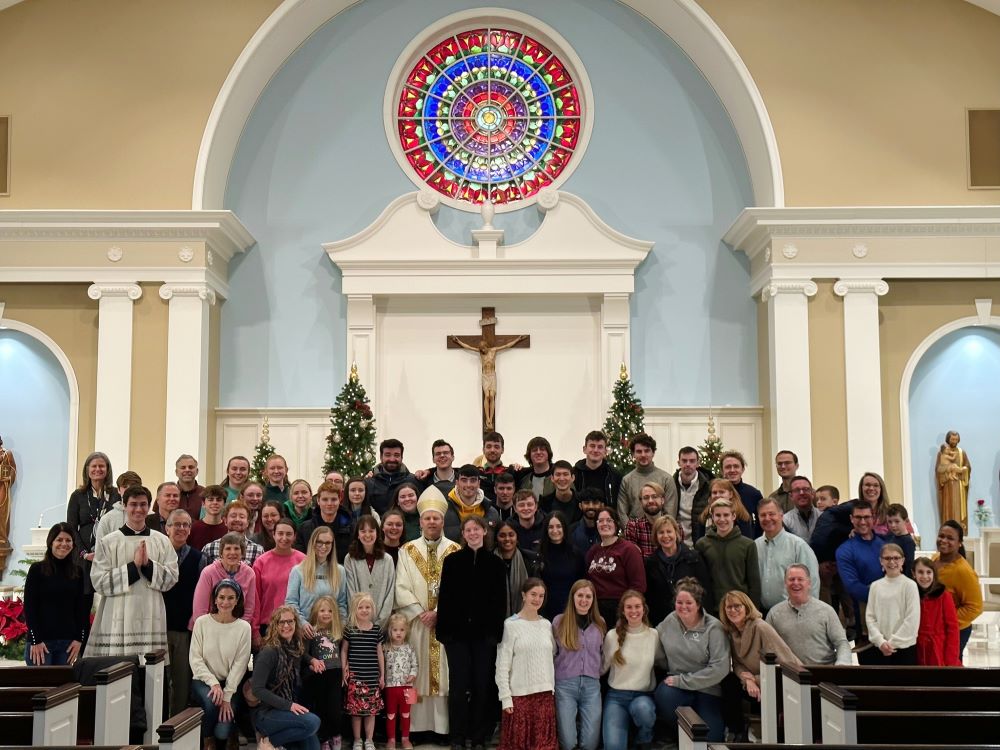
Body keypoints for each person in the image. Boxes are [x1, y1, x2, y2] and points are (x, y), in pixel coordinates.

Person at [393, 487, 461, 737]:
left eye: (436, 518)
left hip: (444, 625)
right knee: (417, 672)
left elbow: (460, 588)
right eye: (427, 518)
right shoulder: (407, 550)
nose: (432, 522)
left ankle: (443, 729)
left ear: (443, 521)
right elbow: (401, 586)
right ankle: (416, 729)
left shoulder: (455, 551)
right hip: (417, 625)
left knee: (445, 674)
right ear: (420, 521)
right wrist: (421, 613)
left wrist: (439, 613)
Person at [437, 516, 508, 750]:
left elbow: (500, 602)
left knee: (482, 685)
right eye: (469, 530)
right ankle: (457, 737)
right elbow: (445, 598)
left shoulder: (496, 564)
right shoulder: (452, 561)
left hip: (484, 637)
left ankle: (478, 738)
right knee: (458, 686)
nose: (473, 533)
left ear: (484, 532)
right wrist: (444, 633)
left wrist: (494, 634)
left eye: (477, 529)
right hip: (456, 636)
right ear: (464, 534)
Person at [88, 485, 179, 658]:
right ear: (124, 506)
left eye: (143, 504)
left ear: (150, 506)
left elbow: (172, 577)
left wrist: (147, 565)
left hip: (151, 614)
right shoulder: (109, 542)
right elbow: (99, 581)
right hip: (118, 615)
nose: (138, 509)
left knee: (149, 674)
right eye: (133, 504)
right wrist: (133, 567)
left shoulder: (161, 541)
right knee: (118, 673)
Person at [653, 577, 729, 744]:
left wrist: (683, 680)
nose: (683, 607)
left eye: (689, 603)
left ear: (698, 604)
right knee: (663, 695)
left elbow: (720, 668)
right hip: (678, 688)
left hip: (706, 689)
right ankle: (680, 735)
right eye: (679, 602)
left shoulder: (713, 627)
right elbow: (654, 641)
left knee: (711, 739)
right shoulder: (670, 620)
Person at [718, 590, 800, 740]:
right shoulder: (732, 632)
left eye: (737, 606)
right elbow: (737, 664)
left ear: (747, 607)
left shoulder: (761, 627)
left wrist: (756, 679)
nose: (733, 610)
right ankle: (736, 733)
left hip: (781, 682)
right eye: (728, 607)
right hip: (754, 684)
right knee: (728, 682)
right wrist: (747, 680)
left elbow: (786, 664)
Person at [190, 579, 252, 750]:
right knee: (211, 705)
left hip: (230, 683)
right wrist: (214, 683)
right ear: (215, 599)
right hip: (203, 680)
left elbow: (240, 664)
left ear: (238, 600)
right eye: (222, 597)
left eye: (231, 598)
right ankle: (207, 741)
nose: (225, 602)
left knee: (223, 727)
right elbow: (195, 660)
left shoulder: (243, 628)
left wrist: (227, 696)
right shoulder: (202, 622)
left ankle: (229, 733)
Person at [495, 578, 557, 750]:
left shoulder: (546, 625)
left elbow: (551, 656)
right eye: (533, 594)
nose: (537, 599)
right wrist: (506, 698)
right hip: (519, 698)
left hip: (544, 696)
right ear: (523, 595)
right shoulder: (511, 625)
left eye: (541, 596)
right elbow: (502, 665)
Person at [251, 605, 322, 750]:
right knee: (312, 723)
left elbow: (301, 655)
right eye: (281, 622)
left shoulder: (294, 647)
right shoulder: (269, 652)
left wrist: (311, 660)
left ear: (296, 623)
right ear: (275, 625)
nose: (286, 626)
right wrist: (289, 705)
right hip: (267, 713)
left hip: (286, 711)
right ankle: (269, 742)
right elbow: (257, 689)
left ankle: (275, 741)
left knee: (313, 746)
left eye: (290, 621)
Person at [601, 590, 661, 750]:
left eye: (637, 606)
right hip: (616, 697)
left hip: (643, 696)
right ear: (622, 610)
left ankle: (643, 738)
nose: (633, 611)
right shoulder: (612, 636)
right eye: (629, 607)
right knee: (613, 746)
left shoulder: (653, 635)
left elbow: (662, 663)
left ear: (644, 609)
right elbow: (602, 668)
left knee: (643, 710)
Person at [23, 522, 88, 665]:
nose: (64, 544)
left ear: (73, 544)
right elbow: (29, 607)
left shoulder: (77, 572)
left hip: (68, 643)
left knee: (64, 687)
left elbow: (81, 608)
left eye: (68, 540)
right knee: (41, 686)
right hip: (41, 643)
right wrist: (35, 640)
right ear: (50, 542)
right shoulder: (37, 570)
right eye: (59, 539)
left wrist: (79, 639)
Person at [552, 580, 605, 750]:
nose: (584, 600)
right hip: (565, 685)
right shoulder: (559, 622)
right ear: (572, 597)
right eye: (580, 595)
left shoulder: (600, 624)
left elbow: (604, 654)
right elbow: (551, 653)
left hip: (591, 687)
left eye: (588, 596)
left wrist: (598, 672)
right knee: (568, 743)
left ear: (593, 599)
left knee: (590, 744)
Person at [765, 564, 852, 665]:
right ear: (785, 583)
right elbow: (767, 647)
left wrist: (842, 663)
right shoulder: (774, 613)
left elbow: (841, 642)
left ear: (809, 583)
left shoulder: (827, 611)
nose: (795, 583)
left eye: (800, 579)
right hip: (789, 675)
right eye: (791, 579)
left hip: (824, 674)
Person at [162, 508, 203, 716]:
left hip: (183, 630)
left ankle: (176, 727)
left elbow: (201, 595)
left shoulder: (198, 558)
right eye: (176, 524)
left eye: (185, 525)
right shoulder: (157, 555)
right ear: (166, 528)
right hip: (157, 628)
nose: (181, 528)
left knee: (181, 680)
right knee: (158, 680)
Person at [644, 515, 713, 626]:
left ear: (676, 533)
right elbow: (650, 598)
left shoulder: (694, 558)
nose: (665, 536)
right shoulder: (650, 563)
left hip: (693, 620)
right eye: (661, 532)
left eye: (669, 531)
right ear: (656, 536)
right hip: (663, 622)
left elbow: (705, 591)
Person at [66, 451, 119, 597]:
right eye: (94, 466)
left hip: (110, 557)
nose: (97, 469)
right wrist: (84, 554)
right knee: (83, 603)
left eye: (101, 466)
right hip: (84, 559)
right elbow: (71, 528)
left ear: (107, 470)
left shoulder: (116, 494)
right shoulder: (78, 496)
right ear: (87, 470)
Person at [695, 498, 761, 614]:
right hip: (713, 610)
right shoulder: (702, 544)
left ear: (733, 516)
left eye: (726, 515)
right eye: (718, 515)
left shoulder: (748, 545)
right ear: (712, 517)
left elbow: (754, 583)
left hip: (740, 609)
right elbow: (700, 581)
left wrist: (753, 611)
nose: (722, 519)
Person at [754, 496, 819, 611]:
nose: (767, 518)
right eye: (763, 515)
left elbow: (812, 582)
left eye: (771, 514)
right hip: (761, 613)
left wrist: (807, 612)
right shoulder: (754, 546)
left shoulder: (798, 546)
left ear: (781, 515)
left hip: (793, 612)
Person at [585, 507, 646, 628]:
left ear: (616, 523)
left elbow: (639, 586)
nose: (604, 524)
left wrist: (627, 612)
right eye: (600, 521)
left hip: (620, 609)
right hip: (595, 610)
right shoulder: (593, 551)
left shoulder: (628, 550)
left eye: (609, 520)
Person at [835, 500, 885, 642]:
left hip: (893, 618)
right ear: (851, 519)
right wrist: (886, 596)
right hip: (864, 619)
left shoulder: (885, 544)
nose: (862, 522)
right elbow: (853, 587)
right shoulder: (845, 550)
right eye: (858, 517)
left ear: (873, 518)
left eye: (866, 517)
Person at [341, 592, 385, 750]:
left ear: (372, 609)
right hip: (355, 679)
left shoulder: (376, 630)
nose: (364, 610)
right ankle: (357, 740)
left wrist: (382, 676)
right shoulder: (350, 629)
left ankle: (369, 740)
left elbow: (380, 653)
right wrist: (344, 668)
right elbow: (344, 651)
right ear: (355, 609)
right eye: (361, 607)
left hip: (372, 678)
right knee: (356, 713)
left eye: (368, 607)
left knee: (370, 713)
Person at [933, 520, 982, 658]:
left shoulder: (963, 571)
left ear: (959, 543)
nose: (944, 540)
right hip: (936, 628)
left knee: (951, 669)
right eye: (941, 536)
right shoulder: (935, 559)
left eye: (950, 538)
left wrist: (947, 620)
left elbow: (975, 608)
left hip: (955, 630)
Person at [864, 543, 919, 665]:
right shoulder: (875, 586)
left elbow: (912, 619)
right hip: (880, 647)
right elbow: (870, 617)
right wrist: (881, 642)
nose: (892, 561)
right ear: (881, 561)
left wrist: (891, 643)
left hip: (904, 648)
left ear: (903, 561)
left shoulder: (909, 585)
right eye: (887, 558)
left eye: (896, 558)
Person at [192, 532, 258, 629]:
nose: (232, 552)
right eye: (228, 548)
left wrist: (239, 629)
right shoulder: (208, 572)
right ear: (221, 552)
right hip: (209, 627)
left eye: (236, 548)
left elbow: (249, 608)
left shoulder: (249, 573)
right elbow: (200, 609)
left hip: (238, 629)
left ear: (242, 552)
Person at [252, 518, 306, 635]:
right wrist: (255, 629)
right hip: (268, 625)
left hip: (296, 626)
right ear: (274, 534)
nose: (284, 538)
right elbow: (255, 598)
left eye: (289, 534)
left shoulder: (303, 560)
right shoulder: (261, 562)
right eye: (280, 534)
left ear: (295, 536)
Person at [304, 595, 344, 750]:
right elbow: (304, 654)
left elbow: (343, 652)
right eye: (322, 610)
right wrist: (312, 661)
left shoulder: (337, 631)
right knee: (321, 707)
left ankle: (336, 735)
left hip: (335, 675)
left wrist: (345, 667)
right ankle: (324, 738)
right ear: (316, 612)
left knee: (334, 708)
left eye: (330, 611)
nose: (326, 614)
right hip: (319, 676)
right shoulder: (311, 632)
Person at [287, 525, 349, 626]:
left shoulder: (340, 571)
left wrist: (341, 626)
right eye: (319, 542)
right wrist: (302, 624)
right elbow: (291, 602)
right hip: (306, 631)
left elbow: (341, 603)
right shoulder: (298, 571)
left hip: (331, 632)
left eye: (328, 543)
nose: (323, 546)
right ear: (313, 543)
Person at [344, 515, 396, 628]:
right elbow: (351, 593)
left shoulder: (387, 560)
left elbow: (390, 594)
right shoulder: (350, 559)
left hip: (382, 626)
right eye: (363, 531)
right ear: (357, 535)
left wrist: (378, 624)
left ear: (377, 533)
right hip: (357, 625)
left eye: (371, 531)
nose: (367, 535)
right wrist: (361, 622)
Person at [913, 557, 961, 666]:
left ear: (934, 574)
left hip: (939, 648)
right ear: (914, 574)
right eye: (920, 572)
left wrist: (950, 659)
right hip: (917, 648)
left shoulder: (944, 595)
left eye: (928, 572)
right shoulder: (911, 593)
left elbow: (953, 628)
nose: (925, 576)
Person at [618, 434, 677, 522]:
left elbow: (670, 512)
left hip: (660, 532)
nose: (643, 455)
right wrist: (631, 531)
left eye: (647, 451)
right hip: (634, 533)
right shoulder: (626, 480)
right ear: (633, 454)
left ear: (653, 453)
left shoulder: (666, 479)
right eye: (639, 451)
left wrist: (660, 531)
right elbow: (622, 512)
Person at [538, 511, 586, 619]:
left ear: (564, 528)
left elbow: (581, 583)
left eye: (559, 526)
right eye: (551, 527)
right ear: (546, 530)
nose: (555, 530)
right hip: (544, 611)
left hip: (571, 610)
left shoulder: (576, 554)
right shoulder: (538, 554)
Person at [383, 613, 418, 750]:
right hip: (391, 687)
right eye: (395, 630)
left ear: (406, 631)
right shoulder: (385, 648)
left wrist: (413, 674)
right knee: (391, 714)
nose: (398, 633)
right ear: (390, 631)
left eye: (402, 630)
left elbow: (415, 665)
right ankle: (391, 739)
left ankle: (405, 739)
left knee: (406, 714)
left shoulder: (410, 648)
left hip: (408, 687)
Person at [297, 480, 353, 563]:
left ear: (339, 500)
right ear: (318, 501)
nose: (329, 503)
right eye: (325, 499)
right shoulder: (305, 528)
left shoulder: (351, 527)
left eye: (333, 499)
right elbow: (301, 558)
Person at [495, 519, 541, 616]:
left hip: (524, 620)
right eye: (502, 535)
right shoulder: (489, 561)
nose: (507, 539)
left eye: (511, 535)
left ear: (517, 537)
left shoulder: (530, 560)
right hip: (495, 620)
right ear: (496, 538)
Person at [442, 464, 499, 542]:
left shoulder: (492, 513)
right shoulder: (444, 510)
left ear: (479, 483)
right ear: (457, 483)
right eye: (464, 480)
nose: (468, 485)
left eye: (473, 480)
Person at [202, 501, 265, 566]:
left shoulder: (258, 551)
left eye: (242, 517)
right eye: (233, 516)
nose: (237, 519)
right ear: (225, 521)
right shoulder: (209, 548)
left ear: (248, 523)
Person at [367, 439, 417, 515]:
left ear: (402, 457)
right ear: (381, 457)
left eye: (396, 455)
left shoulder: (413, 480)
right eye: (388, 455)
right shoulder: (369, 482)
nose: (392, 459)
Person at [674, 446, 713, 544]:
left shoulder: (708, 486)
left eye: (692, 461)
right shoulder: (670, 484)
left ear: (698, 463)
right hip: (676, 543)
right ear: (679, 463)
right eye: (684, 461)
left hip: (700, 543)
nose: (688, 464)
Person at [573, 430, 622, 507]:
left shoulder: (615, 476)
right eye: (592, 446)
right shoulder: (574, 474)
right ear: (584, 449)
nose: (596, 450)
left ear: (605, 451)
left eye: (600, 447)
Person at [720, 451, 762, 537]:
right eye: (728, 467)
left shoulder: (753, 494)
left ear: (742, 469)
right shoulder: (716, 493)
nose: (732, 470)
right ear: (722, 471)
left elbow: (760, 522)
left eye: (736, 466)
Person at [937, 430, 971, 533]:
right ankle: (948, 530)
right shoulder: (942, 453)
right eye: (952, 439)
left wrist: (964, 470)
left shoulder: (962, 453)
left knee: (959, 510)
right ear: (948, 439)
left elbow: (968, 467)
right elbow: (938, 469)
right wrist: (947, 471)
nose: (954, 441)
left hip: (959, 485)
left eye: (956, 439)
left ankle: (960, 531)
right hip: (948, 486)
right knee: (948, 509)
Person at [624, 481, 668, 557]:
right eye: (646, 497)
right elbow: (632, 559)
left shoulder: (674, 527)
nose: (650, 501)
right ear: (641, 502)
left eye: (654, 496)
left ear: (662, 500)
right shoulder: (633, 527)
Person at [539, 460, 581, 524]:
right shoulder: (544, 504)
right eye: (558, 474)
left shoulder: (582, 501)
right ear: (552, 478)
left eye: (565, 474)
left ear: (573, 478)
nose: (561, 478)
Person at [189, 484, 229, 550]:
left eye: (219, 500)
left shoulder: (228, 529)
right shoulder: (193, 529)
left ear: (224, 504)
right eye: (210, 500)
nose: (215, 503)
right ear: (203, 504)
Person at [783, 476, 822, 542]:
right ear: (791, 496)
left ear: (812, 493)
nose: (802, 493)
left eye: (805, 489)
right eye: (797, 490)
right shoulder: (785, 521)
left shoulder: (823, 516)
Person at [570, 488, 604, 553]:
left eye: (595, 503)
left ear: (602, 506)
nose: (591, 506)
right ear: (580, 506)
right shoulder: (571, 531)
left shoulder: (608, 530)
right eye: (586, 503)